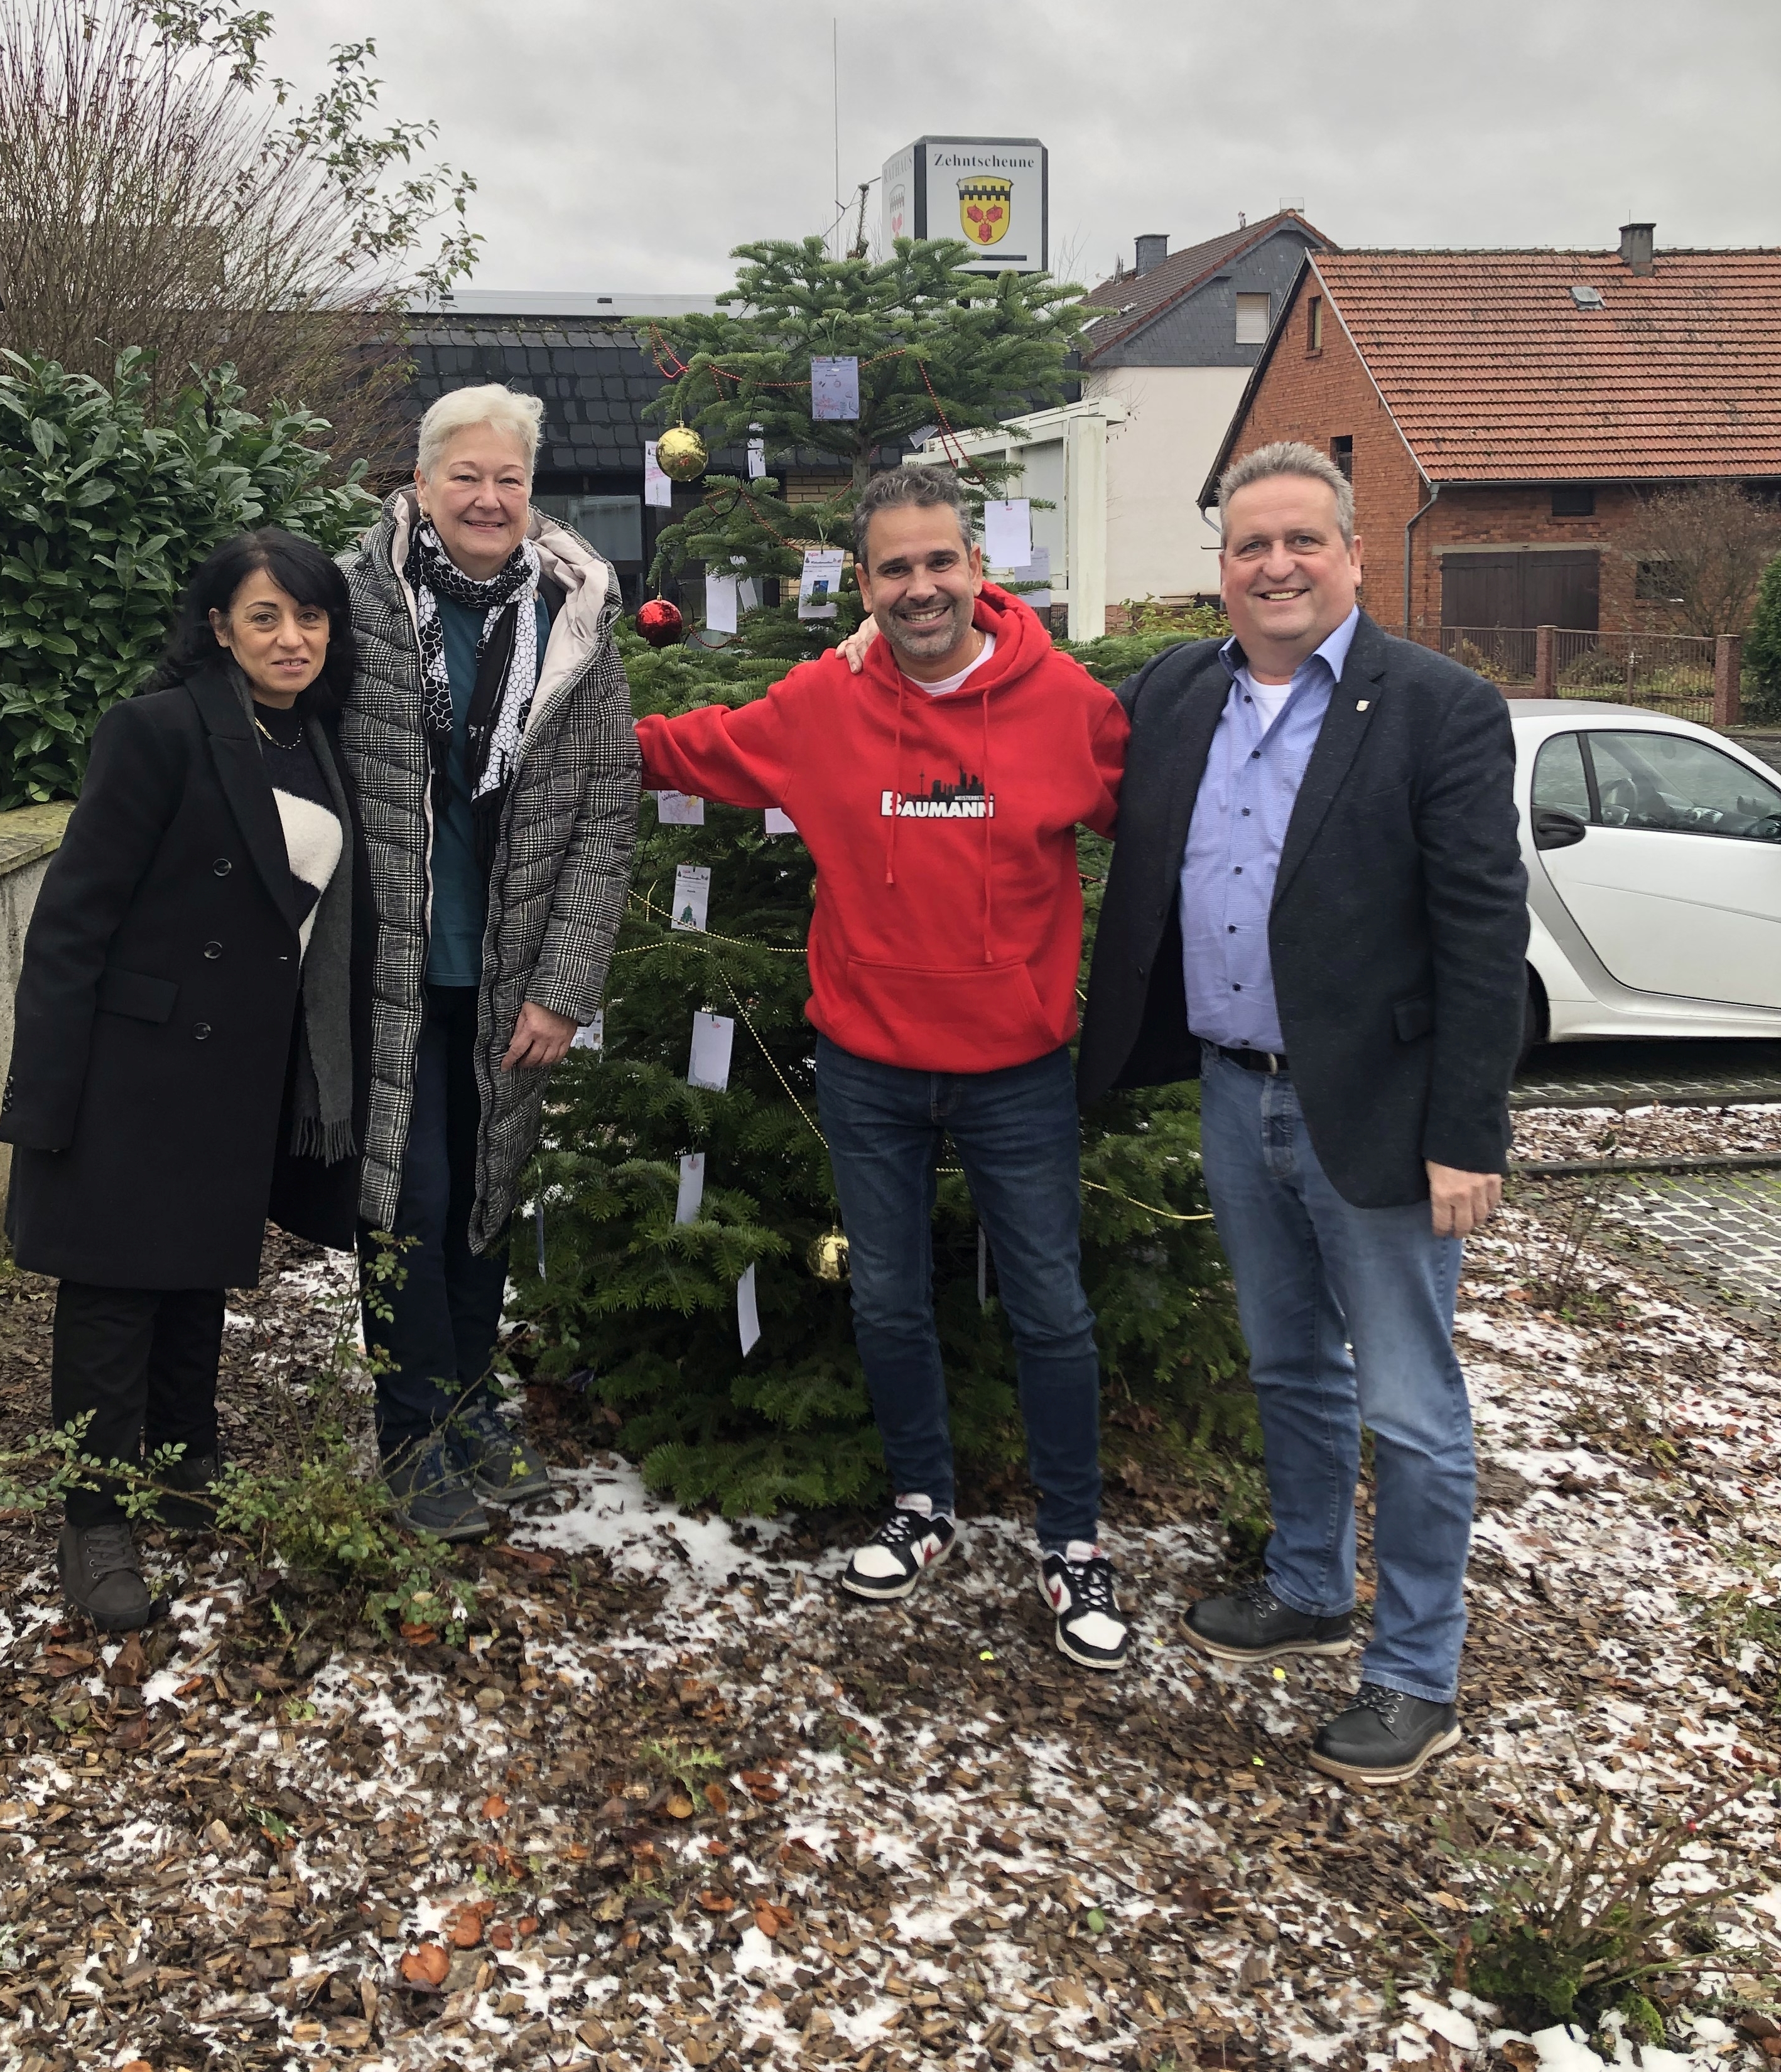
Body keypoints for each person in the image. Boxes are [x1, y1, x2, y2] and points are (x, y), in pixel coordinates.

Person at [636, 461, 1136, 1671]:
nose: (922, 588)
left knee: (1053, 1310)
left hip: (1016, 1069)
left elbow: (1178, 822)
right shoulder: (821, 704)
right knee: (888, 1297)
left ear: (980, 569)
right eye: (896, 569)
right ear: (862, 585)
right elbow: (685, 748)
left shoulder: (1067, 704)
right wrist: (537, 723)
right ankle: (922, 1506)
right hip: (866, 1064)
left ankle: (1072, 1542)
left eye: (941, 562)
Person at [1080, 440, 1529, 1782]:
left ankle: (1414, 1674)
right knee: (1286, 1366)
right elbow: (1030, 713)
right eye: (1249, 546)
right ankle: (1310, 1583)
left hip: (1380, 1115)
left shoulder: (1437, 706)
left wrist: (1468, 1132)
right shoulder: (1175, 691)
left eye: (1302, 543)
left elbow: (1481, 931)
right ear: (1219, 567)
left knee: (1410, 1402)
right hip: (1233, 1088)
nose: (1275, 566)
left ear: (1348, 551)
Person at [0, 529, 374, 1633]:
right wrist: (47, 1093)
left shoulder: (318, 738)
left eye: (309, 618)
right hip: (134, 1060)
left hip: (244, 1062)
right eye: (265, 617)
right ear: (220, 627)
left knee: (198, 1276)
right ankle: (97, 1519)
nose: (291, 638)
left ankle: (180, 1461)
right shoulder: (156, 731)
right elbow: (72, 921)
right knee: (115, 1291)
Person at [340, 385, 639, 1540]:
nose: (487, 497)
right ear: (420, 485)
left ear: (531, 494)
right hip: (387, 970)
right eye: (464, 475)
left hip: (510, 976)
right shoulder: (355, 600)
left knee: (482, 1192)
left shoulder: (577, 620)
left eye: (508, 478)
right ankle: (409, 1432)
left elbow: (607, 812)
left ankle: (467, 1403)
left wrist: (565, 983)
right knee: (403, 1198)